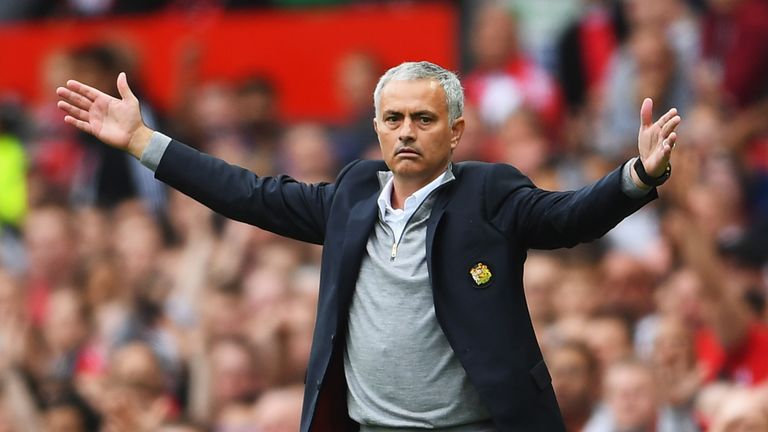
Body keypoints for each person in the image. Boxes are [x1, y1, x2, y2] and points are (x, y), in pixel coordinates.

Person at [56, 61, 680, 431]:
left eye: (424, 119)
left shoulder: (489, 193)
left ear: (456, 130)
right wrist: (144, 142)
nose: (406, 132)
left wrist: (638, 175)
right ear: (377, 126)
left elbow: (570, 218)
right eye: (394, 119)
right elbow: (247, 193)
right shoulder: (354, 194)